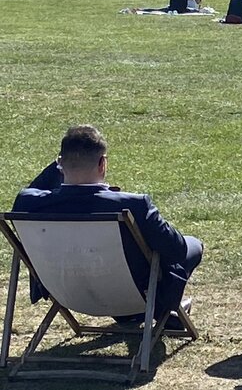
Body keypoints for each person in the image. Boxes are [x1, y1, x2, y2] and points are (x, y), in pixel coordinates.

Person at [13, 125, 203, 328]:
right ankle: (158, 309)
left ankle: (135, 316)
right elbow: (177, 249)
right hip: (130, 294)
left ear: (60, 163)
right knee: (193, 245)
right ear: (102, 164)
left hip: (66, 293)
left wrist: (59, 163)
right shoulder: (133, 205)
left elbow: (33, 189)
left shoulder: (28, 204)